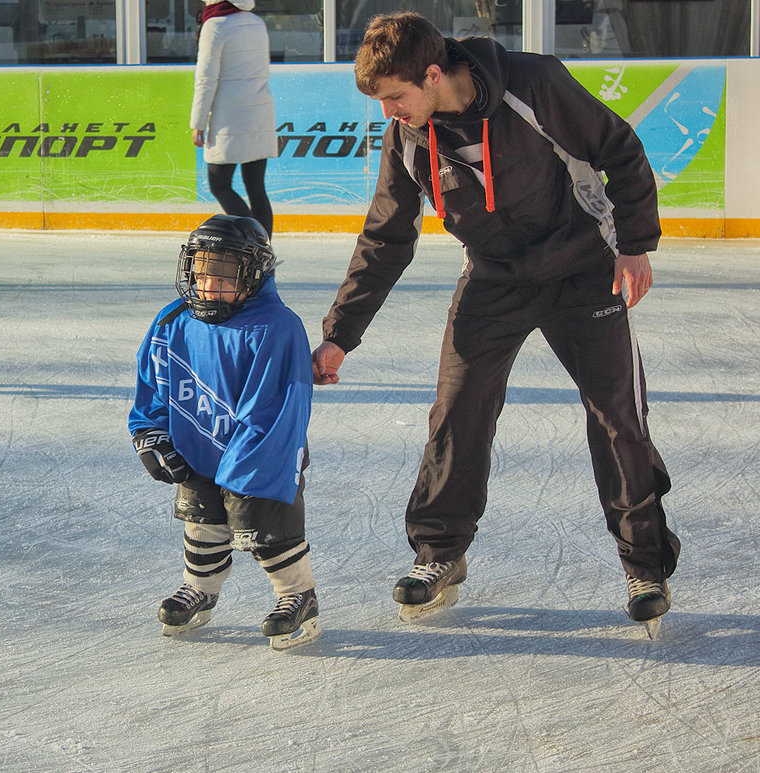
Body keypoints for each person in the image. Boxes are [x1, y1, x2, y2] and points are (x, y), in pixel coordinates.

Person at [313, 13, 679, 628]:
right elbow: (386, 238)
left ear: (433, 74)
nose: (388, 113)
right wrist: (338, 336)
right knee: (457, 408)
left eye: (396, 97)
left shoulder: (531, 84)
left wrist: (635, 244)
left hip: (582, 268)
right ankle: (438, 555)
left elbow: (621, 149)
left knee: (618, 416)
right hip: (493, 276)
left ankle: (644, 565)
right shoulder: (406, 134)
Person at [128, 214, 320, 651]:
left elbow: (274, 409)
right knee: (201, 519)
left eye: (223, 273)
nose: (207, 284)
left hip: (262, 452)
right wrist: (151, 432)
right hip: (196, 445)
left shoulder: (275, 326)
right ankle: (200, 588)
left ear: (253, 274)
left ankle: (297, 594)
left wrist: (245, 471)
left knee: (264, 527)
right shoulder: (173, 319)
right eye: (200, 269)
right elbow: (154, 380)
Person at [190, 0, 277, 238]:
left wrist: (197, 122)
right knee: (256, 187)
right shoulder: (256, 23)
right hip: (260, 111)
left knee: (219, 184)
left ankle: (252, 241)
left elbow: (206, 79)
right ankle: (263, 251)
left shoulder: (215, 25)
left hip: (229, 117)